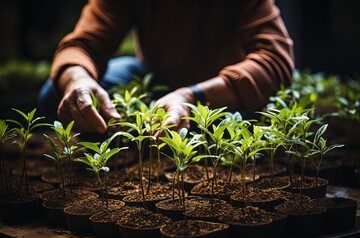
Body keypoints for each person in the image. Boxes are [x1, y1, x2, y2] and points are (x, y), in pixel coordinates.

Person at [38, 0, 294, 133]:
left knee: (232, 128)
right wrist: (78, 82)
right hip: (155, 82)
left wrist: (192, 96)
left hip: (219, 99)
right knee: (57, 92)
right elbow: (80, 46)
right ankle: (122, 155)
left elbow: (276, 61)